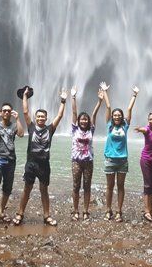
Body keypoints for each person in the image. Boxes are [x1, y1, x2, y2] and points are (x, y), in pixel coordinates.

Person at [12, 87, 67, 226]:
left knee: (44, 190)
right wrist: (25, 96)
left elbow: (59, 116)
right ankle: (20, 214)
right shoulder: (31, 127)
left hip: (44, 164)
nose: (41, 118)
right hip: (31, 164)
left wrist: (63, 100)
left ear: (46, 118)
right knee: (27, 189)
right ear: (36, 118)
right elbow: (25, 111)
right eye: (39, 116)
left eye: (43, 117)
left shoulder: (50, 129)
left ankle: (47, 216)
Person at [101, 82, 139, 223]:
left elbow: (129, 108)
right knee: (109, 187)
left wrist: (134, 95)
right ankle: (108, 210)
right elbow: (108, 107)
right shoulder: (109, 125)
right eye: (114, 115)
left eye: (118, 115)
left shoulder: (125, 126)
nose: (116, 117)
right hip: (110, 160)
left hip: (122, 160)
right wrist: (105, 92)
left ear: (122, 117)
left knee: (121, 186)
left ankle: (119, 211)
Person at [68, 85, 103, 222]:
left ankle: (86, 211)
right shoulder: (74, 129)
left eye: (85, 119)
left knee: (87, 187)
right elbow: (74, 113)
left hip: (88, 161)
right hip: (76, 161)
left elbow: (94, 115)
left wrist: (99, 102)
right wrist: (73, 97)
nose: (83, 120)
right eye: (81, 119)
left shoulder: (91, 131)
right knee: (76, 186)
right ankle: (76, 211)